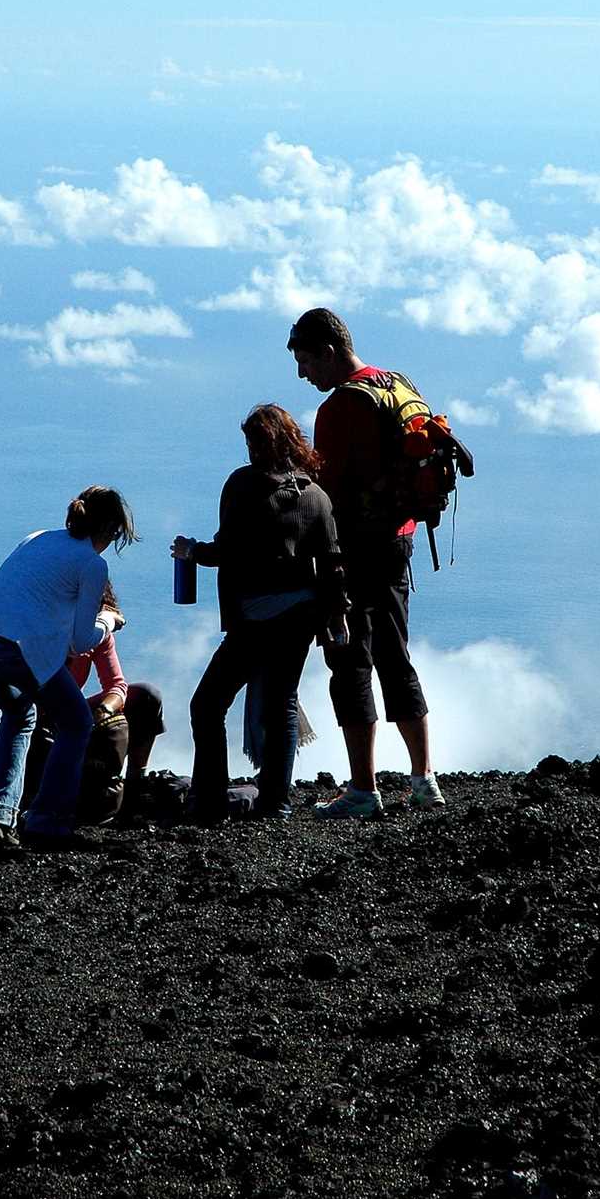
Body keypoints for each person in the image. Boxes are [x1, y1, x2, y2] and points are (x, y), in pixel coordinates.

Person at [287, 308, 445, 818]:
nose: (303, 374)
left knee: (350, 661)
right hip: (400, 541)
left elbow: (328, 490)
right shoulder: (396, 384)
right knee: (396, 655)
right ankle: (425, 781)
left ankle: (362, 789)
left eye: (307, 361)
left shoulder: (340, 407)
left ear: (329, 351)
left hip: (355, 549)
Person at [172, 403, 348, 822]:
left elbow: (229, 551)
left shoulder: (243, 485)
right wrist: (338, 615)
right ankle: (276, 804)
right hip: (303, 615)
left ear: (261, 442)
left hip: (255, 617)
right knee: (281, 704)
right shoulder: (316, 496)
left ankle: (211, 801)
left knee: (208, 704)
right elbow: (333, 561)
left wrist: (191, 552)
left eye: (252, 440)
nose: (249, 448)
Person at [0, 485, 138, 854]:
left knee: (19, 715)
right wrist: (109, 621)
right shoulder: (92, 563)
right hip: (18, 649)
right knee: (76, 723)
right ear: (110, 529)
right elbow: (81, 641)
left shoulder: (36, 538)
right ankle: (48, 822)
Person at [19, 581, 164, 826]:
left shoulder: (96, 635)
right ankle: (31, 801)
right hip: (41, 719)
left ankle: (135, 789)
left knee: (147, 697)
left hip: (72, 713)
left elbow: (118, 686)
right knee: (40, 730)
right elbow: (2, 689)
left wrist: (105, 709)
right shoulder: (40, 630)